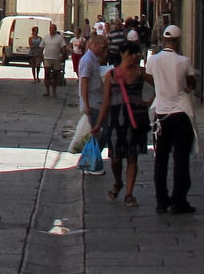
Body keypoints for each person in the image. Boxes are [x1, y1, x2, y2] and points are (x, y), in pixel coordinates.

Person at [144, 24, 197, 214]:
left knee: (161, 159)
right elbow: (191, 82)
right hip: (181, 113)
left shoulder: (154, 60)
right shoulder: (183, 61)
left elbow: (147, 76)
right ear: (178, 40)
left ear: (164, 39)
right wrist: (185, 86)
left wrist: (159, 87)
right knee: (181, 159)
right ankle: (179, 200)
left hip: (162, 114)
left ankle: (161, 200)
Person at [95, 43, 150, 207]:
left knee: (133, 157)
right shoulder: (111, 75)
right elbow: (106, 101)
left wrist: (148, 102)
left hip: (135, 120)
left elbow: (160, 86)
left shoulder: (141, 73)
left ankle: (129, 194)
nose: (135, 56)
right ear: (122, 54)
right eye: (131, 53)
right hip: (117, 120)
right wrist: (98, 124)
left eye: (137, 53)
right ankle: (118, 182)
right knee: (116, 158)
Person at [70, 29, 110, 154]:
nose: (105, 51)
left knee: (101, 131)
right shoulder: (87, 60)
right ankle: (91, 156)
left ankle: (92, 156)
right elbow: (84, 83)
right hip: (92, 103)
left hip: (97, 100)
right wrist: (86, 105)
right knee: (100, 130)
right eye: (103, 47)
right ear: (95, 45)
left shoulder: (95, 60)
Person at [40, 26, 70, 98]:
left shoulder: (59, 38)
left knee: (55, 75)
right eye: (51, 28)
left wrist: (62, 56)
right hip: (47, 58)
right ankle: (47, 91)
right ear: (49, 29)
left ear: (56, 30)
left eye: (53, 29)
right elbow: (41, 47)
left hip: (56, 58)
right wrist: (41, 56)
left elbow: (63, 47)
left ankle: (54, 91)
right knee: (47, 74)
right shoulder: (46, 37)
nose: (52, 30)